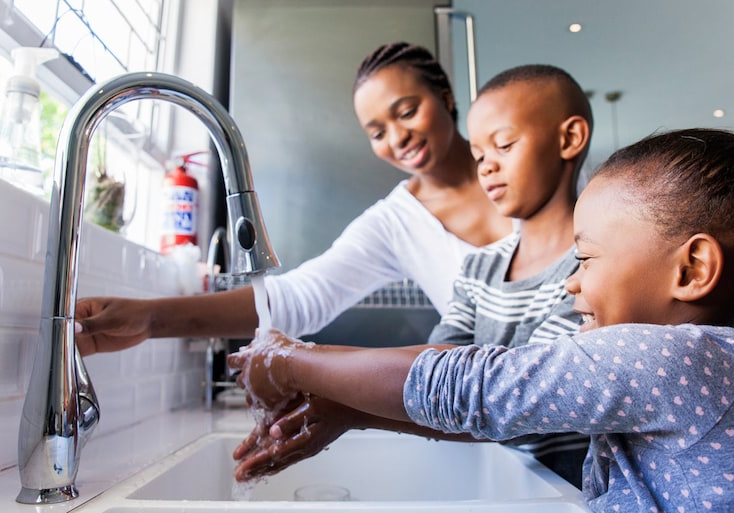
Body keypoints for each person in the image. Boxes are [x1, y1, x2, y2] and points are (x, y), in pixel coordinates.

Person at [228, 110, 734, 512]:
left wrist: (290, 359)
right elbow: (503, 406)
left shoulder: (674, 358)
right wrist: (349, 408)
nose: (570, 285)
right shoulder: (695, 366)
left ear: (690, 270)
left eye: (587, 260)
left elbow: (478, 386)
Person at [234, 64, 593, 488]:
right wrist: (346, 408)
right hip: (514, 483)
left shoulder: (593, 270)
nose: (487, 167)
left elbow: (512, 397)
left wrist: (296, 363)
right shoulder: (480, 269)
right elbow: (441, 370)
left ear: (569, 138)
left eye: (505, 145)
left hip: (576, 496)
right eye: (479, 155)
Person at [73, 41, 511, 352]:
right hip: (520, 431)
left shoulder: (518, 160)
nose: (397, 138)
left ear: (446, 97)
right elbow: (299, 298)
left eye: (408, 112)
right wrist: (151, 318)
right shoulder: (395, 223)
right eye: (376, 132)